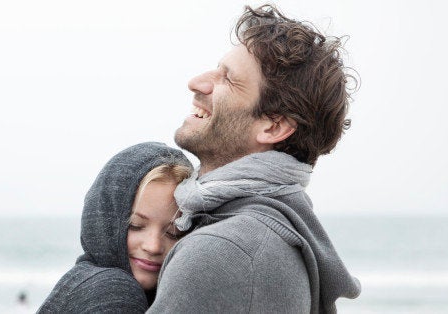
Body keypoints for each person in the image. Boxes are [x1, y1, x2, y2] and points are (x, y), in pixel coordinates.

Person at [147, 4, 361, 314]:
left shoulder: (224, 253)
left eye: (228, 79)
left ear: (273, 126)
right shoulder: (272, 229)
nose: (197, 82)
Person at [37, 142, 192, 313]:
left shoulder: (83, 281)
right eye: (135, 225)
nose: (153, 246)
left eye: (173, 233)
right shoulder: (114, 293)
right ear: (103, 220)